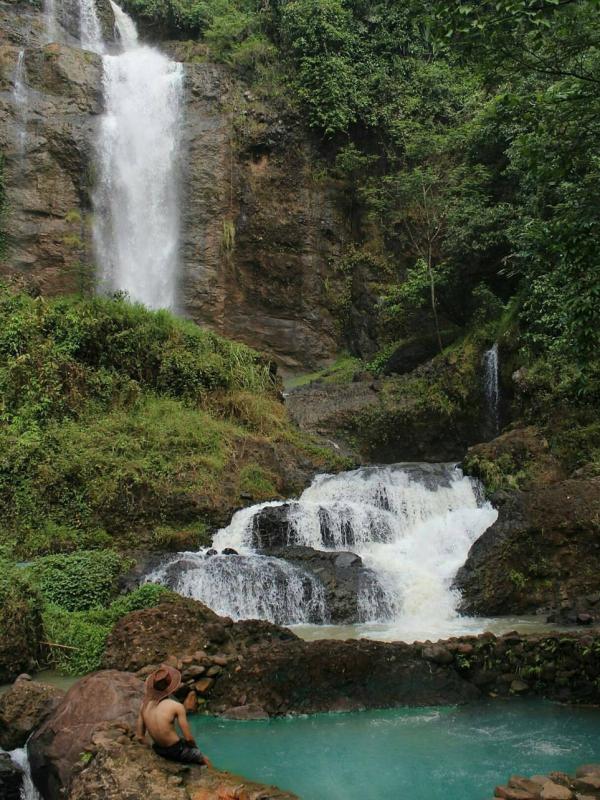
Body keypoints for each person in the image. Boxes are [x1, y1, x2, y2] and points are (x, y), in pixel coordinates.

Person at [136, 664, 210, 766]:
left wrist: (154, 750)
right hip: (176, 750)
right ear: (170, 687)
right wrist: (196, 750)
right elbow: (189, 738)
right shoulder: (176, 706)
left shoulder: (144, 706)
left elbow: (140, 737)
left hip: (158, 749)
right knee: (204, 759)